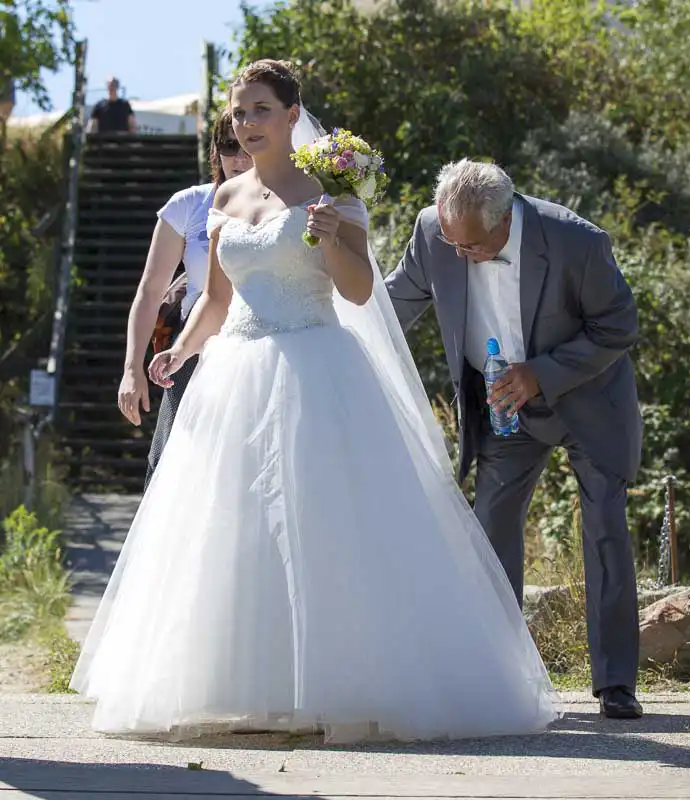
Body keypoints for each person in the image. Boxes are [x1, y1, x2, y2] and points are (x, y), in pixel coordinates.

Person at [69, 59, 560, 743]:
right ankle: (242, 684)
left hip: (315, 365)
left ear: (293, 114)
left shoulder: (333, 192)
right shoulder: (224, 201)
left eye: (261, 110)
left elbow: (359, 293)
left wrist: (332, 239)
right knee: (231, 528)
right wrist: (179, 351)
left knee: (324, 525)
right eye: (239, 113)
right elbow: (215, 300)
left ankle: (339, 683)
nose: (247, 124)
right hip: (235, 370)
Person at [384, 160, 645, 720]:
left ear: (505, 219)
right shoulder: (435, 233)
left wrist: (541, 373)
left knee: (603, 528)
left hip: (587, 400)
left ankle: (616, 683)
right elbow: (391, 306)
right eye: (451, 243)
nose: (459, 256)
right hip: (504, 409)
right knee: (490, 527)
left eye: (471, 247)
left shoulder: (577, 241)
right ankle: (501, 677)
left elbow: (619, 324)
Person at [117, 109, 252, 487]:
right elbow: (149, 291)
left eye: (246, 147)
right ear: (215, 151)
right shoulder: (188, 205)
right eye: (229, 146)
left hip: (261, 345)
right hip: (196, 348)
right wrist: (132, 368)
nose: (238, 159)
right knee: (171, 468)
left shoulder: (280, 205)